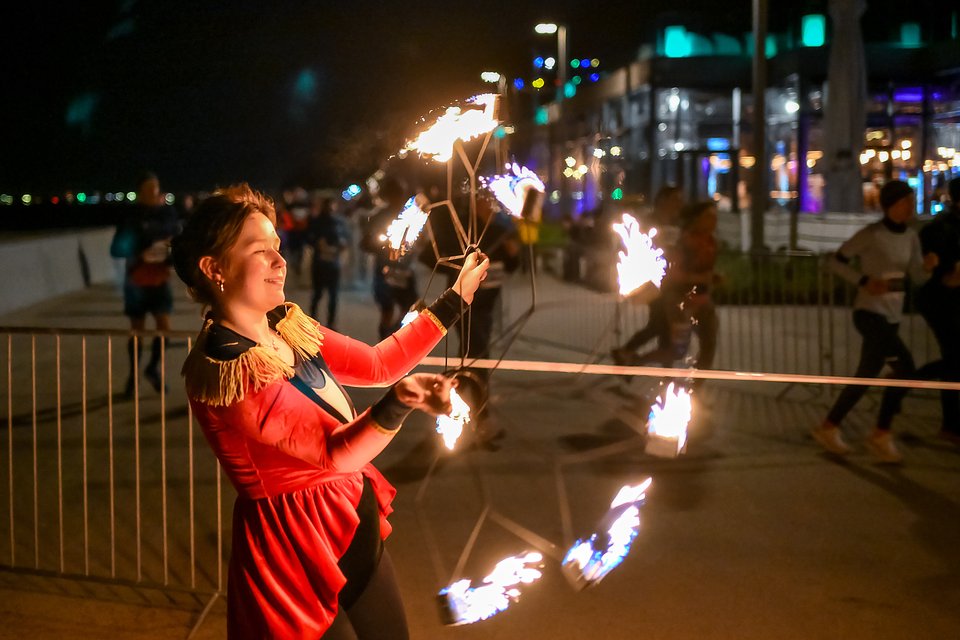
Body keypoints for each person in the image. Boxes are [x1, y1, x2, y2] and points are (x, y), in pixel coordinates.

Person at [170, 183, 489, 639]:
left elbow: (380, 364)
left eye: (277, 247)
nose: (280, 261)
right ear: (213, 267)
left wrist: (457, 296)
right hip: (294, 547)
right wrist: (401, 401)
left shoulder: (287, 322)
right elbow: (334, 454)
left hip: (349, 516)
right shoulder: (226, 368)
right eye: (260, 251)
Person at [812, 180, 928, 462]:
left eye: (912, 201)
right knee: (905, 367)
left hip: (893, 314)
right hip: (868, 312)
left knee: (866, 374)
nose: (910, 207)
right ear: (890, 205)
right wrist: (864, 280)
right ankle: (881, 433)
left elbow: (917, 276)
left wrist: (930, 267)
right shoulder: (872, 234)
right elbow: (835, 261)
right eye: (905, 202)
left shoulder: (911, 236)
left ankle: (829, 427)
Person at [421, 189, 520, 445]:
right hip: (465, 306)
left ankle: (453, 405)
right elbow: (433, 258)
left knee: (473, 359)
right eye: (485, 201)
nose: (491, 206)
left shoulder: (498, 229)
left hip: (487, 305)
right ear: (474, 203)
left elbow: (511, 265)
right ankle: (477, 417)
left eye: (492, 202)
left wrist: (512, 252)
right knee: (477, 358)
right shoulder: (463, 230)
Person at [110, 171, 181, 397]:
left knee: (165, 329)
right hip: (137, 281)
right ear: (140, 192)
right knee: (137, 331)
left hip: (160, 279)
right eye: (149, 188)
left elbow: (176, 233)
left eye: (156, 187)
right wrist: (143, 247)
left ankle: (153, 368)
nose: (154, 192)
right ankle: (132, 376)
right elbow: (117, 248)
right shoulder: (131, 215)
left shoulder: (166, 213)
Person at [610, 185, 685, 366]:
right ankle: (629, 354)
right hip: (656, 283)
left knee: (664, 328)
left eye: (680, 200)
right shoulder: (650, 222)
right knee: (660, 324)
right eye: (675, 199)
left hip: (674, 282)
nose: (679, 203)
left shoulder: (678, 223)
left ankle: (630, 356)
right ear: (662, 201)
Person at [917, 176, 960, 445]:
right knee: (954, 360)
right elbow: (937, 274)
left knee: (955, 360)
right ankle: (950, 425)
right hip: (941, 302)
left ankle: (905, 379)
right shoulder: (940, 229)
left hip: (953, 300)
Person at [362, 176, 421, 339]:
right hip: (391, 270)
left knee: (400, 308)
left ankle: (389, 336)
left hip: (396, 270)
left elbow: (365, 244)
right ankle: (389, 338)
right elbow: (366, 243)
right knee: (397, 308)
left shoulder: (408, 216)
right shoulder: (401, 216)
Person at [305, 195, 347, 329]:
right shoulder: (320, 222)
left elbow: (344, 240)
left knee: (327, 294)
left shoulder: (335, 222)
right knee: (322, 294)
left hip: (328, 262)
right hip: (323, 262)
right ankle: (320, 322)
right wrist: (320, 244)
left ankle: (326, 323)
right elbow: (309, 239)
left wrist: (337, 246)